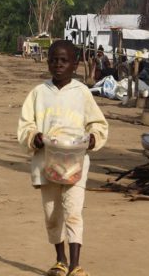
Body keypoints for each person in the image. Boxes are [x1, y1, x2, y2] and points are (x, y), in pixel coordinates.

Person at [17, 40, 108, 276]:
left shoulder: (82, 93)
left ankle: (75, 265)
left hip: (75, 163)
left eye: (64, 60)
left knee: (73, 211)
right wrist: (33, 137)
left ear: (75, 64)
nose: (58, 64)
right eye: (54, 60)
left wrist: (93, 139)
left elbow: (97, 124)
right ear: (48, 62)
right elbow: (26, 125)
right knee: (52, 213)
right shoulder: (38, 93)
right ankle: (60, 259)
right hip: (46, 162)